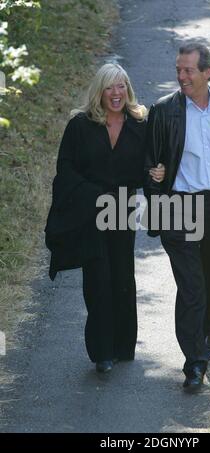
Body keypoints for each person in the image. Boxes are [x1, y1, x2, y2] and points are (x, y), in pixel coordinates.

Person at [144, 43, 210, 392]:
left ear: (207, 72)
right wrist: (154, 175)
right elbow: (147, 164)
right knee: (191, 286)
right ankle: (194, 363)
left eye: (188, 70)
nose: (181, 76)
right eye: (178, 69)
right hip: (180, 207)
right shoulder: (164, 111)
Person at [45, 63, 165, 373]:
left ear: (128, 89)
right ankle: (102, 352)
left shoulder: (141, 124)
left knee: (122, 277)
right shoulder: (80, 125)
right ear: (100, 91)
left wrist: (156, 174)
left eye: (121, 86)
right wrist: (92, 195)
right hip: (91, 210)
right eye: (110, 87)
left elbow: (149, 165)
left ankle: (123, 346)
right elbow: (66, 169)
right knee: (98, 278)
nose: (116, 93)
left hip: (122, 209)